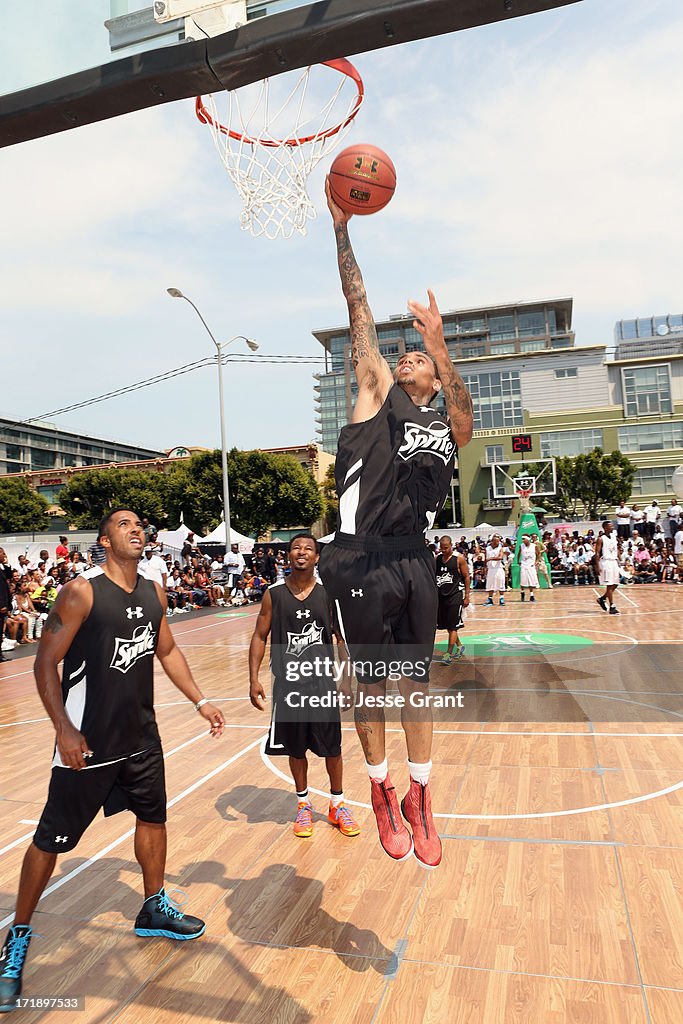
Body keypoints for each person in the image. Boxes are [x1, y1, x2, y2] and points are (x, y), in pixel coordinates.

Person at [0, 508, 225, 1014]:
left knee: (154, 819)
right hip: (89, 742)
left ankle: (153, 906)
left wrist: (199, 700)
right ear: (104, 539)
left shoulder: (153, 591)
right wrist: (63, 728)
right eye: (125, 524)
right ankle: (16, 939)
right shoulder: (82, 592)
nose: (136, 528)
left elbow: (167, 651)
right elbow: (43, 661)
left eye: (140, 524)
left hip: (141, 736)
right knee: (50, 838)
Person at [317, 179, 473, 869]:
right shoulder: (376, 392)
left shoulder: (446, 412)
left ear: (433, 374)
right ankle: (378, 790)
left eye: (417, 357)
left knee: (419, 684)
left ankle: (419, 794)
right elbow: (358, 310)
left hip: (414, 558)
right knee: (370, 684)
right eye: (405, 352)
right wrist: (342, 229)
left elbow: (466, 417)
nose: (404, 357)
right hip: (359, 558)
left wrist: (440, 343)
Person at [249, 534, 359, 840]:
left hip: (322, 683)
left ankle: (337, 804)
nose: (301, 552)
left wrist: (346, 681)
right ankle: (303, 805)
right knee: (296, 749)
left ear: (317, 557)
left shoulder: (329, 595)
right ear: (288, 555)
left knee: (331, 748)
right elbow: (259, 636)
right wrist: (253, 677)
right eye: (296, 547)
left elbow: (341, 640)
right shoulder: (273, 594)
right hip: (288, 686)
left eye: (308, 548)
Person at [435, 536, 469, 663]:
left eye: (446, 548)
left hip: (455, 596)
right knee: (449, 626)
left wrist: (467, 596)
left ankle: (448, 654)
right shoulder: (437, 559)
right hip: (441, 597)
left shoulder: (458, 559)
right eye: (441, 548)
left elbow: (466, 577)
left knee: (453, 626)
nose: (443, 550)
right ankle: (460, 647)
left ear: (451, 546)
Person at [595, 521, 620, 614]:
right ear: (605, 527)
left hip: (614, 561)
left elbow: (616, 549)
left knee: (616, 584)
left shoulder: (614, 537)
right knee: (609, 585)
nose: (612, 527)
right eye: (610, 526)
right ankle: (612, 606)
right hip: (606, 562)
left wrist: (619, 560)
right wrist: (597, 565)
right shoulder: (601, 539)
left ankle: (602, 598)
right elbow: (597, 553)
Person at [484, 536, 506, 606]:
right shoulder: (487, 549)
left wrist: (490, 558)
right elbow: (485, 560)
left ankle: (501, 599)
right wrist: (484, 569)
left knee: (501, 584)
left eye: (498, 541)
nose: (497, 542)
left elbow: (500, 557)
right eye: (496, 541)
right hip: (490, 569)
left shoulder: (500, 548)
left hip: (498, 568)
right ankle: (490, 599)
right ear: (492, 541)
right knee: (490, 585)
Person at [517, 534, 539, 601]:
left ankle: (531, 595)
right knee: (523, 580)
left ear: (528, 539)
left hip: (531, 565)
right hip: (524, 564)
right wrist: (518, 561)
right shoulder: (521, 546)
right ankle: (522, 593)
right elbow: (519, 553)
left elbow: (539, 554)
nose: (523, 540)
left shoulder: (534, 546)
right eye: (522, 539)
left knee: (531, 580)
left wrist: (537, 561)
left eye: (524, 539)